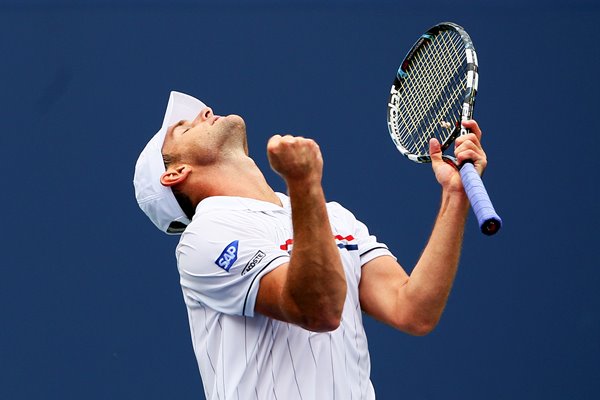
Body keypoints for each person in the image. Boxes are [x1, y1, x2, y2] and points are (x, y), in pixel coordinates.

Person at [133, 91, 488, 400]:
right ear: (175, 173)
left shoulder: (331, 215)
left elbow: (412, 309)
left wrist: (454, 197)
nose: (205, 112)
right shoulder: (204, 236)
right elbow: (318, 310)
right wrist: (304, 184)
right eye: (184, 127)